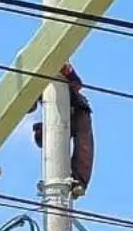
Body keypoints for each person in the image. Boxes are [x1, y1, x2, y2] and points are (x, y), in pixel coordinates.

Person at [28, 62, 95, 197]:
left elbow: (77, 83)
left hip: (77, 109)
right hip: (57, 114)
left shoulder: (60, 64)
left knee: (83, 145)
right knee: (46, 137)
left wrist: (64, 69)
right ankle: (60, 173)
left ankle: (79, 181)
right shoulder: (36, 80)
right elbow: (30, 107)